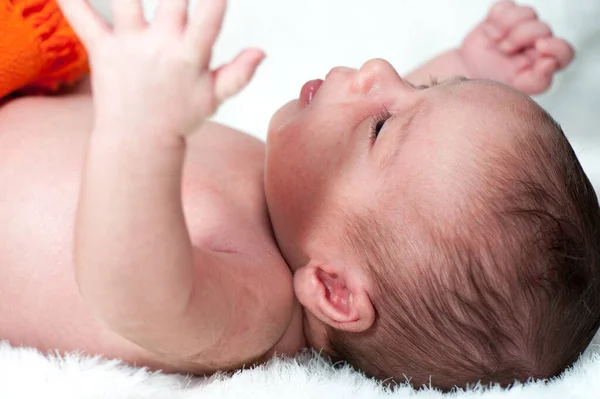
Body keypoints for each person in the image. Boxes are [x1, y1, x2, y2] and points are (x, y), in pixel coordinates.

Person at [1, 0, 597, 391]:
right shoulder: (303, 208)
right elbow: (395, 182)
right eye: (428, 85)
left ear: (333, 290)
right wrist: (470, 61)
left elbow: (129, 290)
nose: (381, 70)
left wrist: (143, 131)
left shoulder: (251, 312)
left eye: (383, 123)